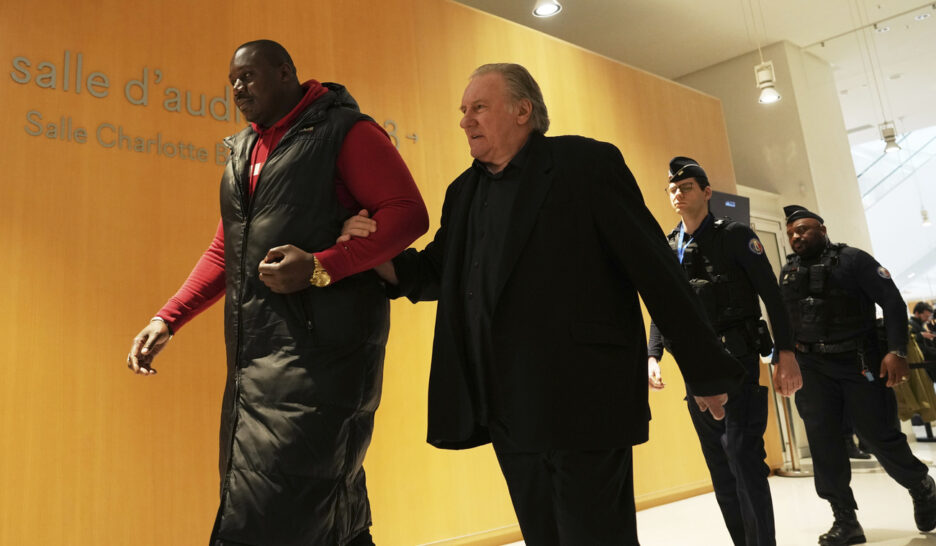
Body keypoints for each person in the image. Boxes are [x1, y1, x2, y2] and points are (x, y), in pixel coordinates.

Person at [338, 63, 745, 545]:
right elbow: (435, 273)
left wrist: (704, 372)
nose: (465, 120)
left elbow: (656, 271)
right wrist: (374, 251)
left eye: (478, 107)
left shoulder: (586, 165)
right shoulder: (463, 192)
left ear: (522, 110)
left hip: (585, 401)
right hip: (506, 406)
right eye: (463, 110)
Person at [125, 40, 429, 546]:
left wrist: (322, 266)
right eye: (232, 81)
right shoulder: (244, 149)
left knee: (275, 513)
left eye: (248, 76)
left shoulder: (346, 131)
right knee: (317, 513)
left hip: (322, 360)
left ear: (286, 73)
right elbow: (228, 250)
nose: (238, 88)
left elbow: (408, 214)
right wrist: (168, 318)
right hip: (255, 364)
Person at [645, 157, 802, 546]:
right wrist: (653, 354)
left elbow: (772, 296)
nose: (678, 194)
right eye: (672, 189)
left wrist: (785, 352)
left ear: (707, 192)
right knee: (720, 466)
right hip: (696, 367)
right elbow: (664, 305)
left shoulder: (734, 235)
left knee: (744, 460)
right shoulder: (670, 244)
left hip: (738, 359)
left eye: (686, 187)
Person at [780, 205, 936, 545]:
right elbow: (786, 318)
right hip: (812, 367)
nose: (796, 236)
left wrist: (896, 351)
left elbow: (892, 302)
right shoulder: (789, 270)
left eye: (803, 229)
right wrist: (785, 359)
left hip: (857, 361)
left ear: (822, 229)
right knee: (824, 442)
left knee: (877, 436)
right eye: (791, 232)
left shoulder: (854, 260)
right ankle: (845, 520)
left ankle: (921, 485)